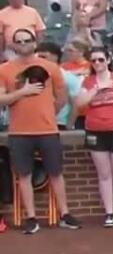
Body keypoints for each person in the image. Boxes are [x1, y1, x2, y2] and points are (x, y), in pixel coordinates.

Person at [0, 28, 80, 234]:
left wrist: (49, 113)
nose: (24, 44)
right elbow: (2, 99)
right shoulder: (5, 69)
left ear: (35, 42)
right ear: (13, 45)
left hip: (47, 129)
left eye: (27, 40)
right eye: (19, 41)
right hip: (19, 131)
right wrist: (23, 92)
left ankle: (65, 214)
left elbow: (62, 98)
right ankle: (31, 217)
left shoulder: (51, 67)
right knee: (24, 175)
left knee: (55, 172)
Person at [75, 46, 113, 228]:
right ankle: (109, 212)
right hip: (96, 131)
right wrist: (97, 89)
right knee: (104, 174)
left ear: (108, 60)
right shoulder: (88, 81)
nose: (97, 64)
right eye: (93, 61)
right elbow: (80, 104)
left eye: (101, 60)